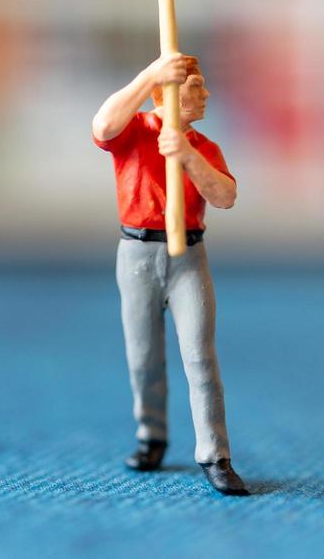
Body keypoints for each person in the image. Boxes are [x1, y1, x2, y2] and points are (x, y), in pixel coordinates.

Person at [91, 52, 248, 496]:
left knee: (200, 357)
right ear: (170, 94)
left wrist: (187, 159)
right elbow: (102, 127)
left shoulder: (204, 147)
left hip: (187, 259)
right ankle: (151, 435)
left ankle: (215, 454)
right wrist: (150, 75)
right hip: (137, 254)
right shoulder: (134, 130)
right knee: (144, 357)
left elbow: (225, 196)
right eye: (197, 87)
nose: (207, 94)